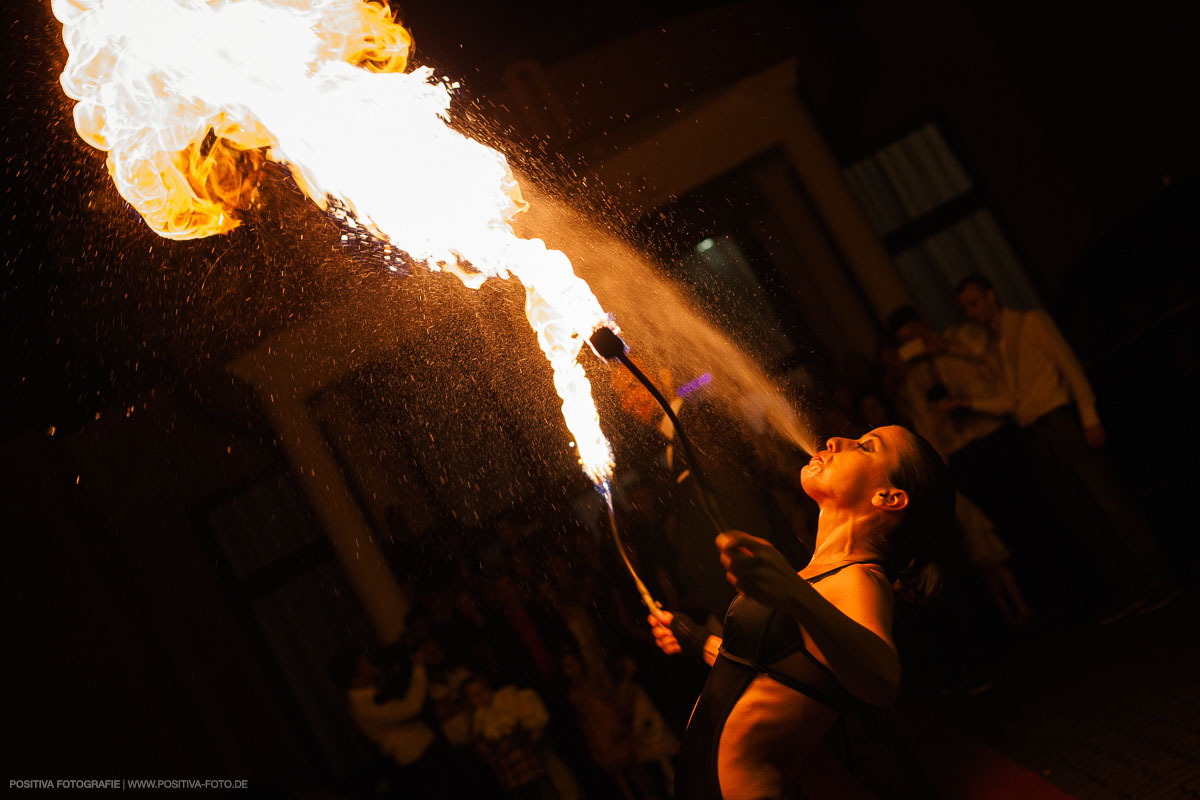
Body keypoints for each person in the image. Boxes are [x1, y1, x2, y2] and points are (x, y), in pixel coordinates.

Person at [649, 426, 954, 799]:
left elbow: (884, 680)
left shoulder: (860, 579)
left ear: (888, 498)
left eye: (864, 446)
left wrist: (794, 593)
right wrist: (696, 641)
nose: (835, 441)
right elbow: (767, 672)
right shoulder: (818, 574)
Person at [955, 274, 1179, 617]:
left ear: (990, 295)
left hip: (1058, 419)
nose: (971, 312)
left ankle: (1160, 578)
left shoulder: (1029, 323)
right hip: (1035, 429)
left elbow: (1069, 366)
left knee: (1107, 500)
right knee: (1082, 512)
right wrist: (968, 403)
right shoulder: (994, 345)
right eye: (965, 307)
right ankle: (1133, 587)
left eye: (974, 302)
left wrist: (1089, 416)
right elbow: (1011, 400)